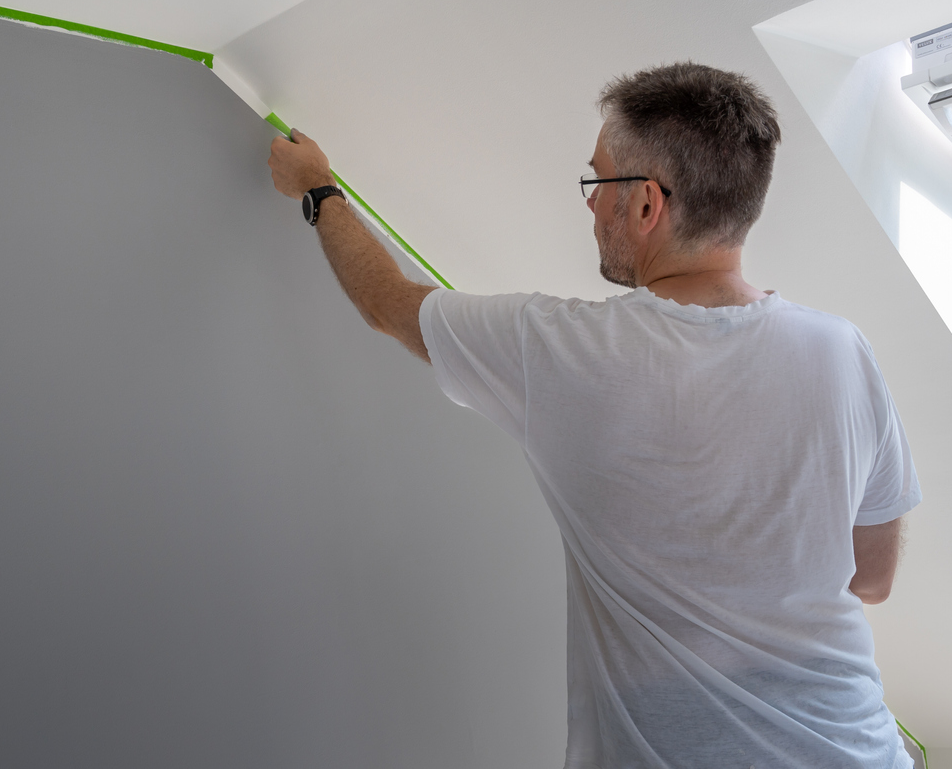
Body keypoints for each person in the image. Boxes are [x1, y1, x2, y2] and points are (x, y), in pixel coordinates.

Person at [267, 61, 919, 769]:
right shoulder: (841, 350)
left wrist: (317, 185)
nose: (589, 205)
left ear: (645, 205)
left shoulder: (563, 349)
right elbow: (873, 578)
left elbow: (386, 303)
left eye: (597, 182)